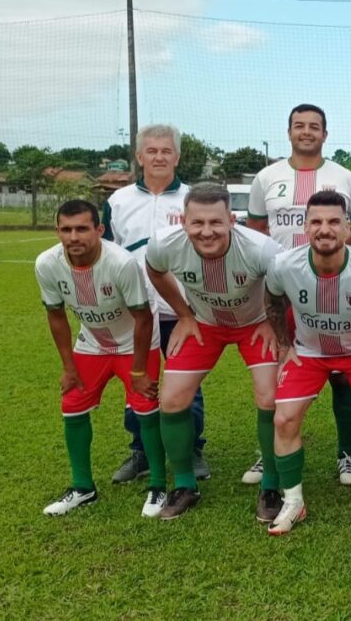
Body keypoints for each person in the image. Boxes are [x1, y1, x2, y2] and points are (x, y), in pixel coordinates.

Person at [264, 191, 351, 535]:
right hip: (309, 353)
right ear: (304, 226)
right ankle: (293, 501)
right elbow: (271, 298)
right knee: (283, 418)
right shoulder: (285, 265)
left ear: (348, 228)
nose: (324, 229)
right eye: (316, 221)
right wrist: (284, 345)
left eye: (333, 222)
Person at [245, 104, 351, 487]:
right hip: (283, 293)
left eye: (314, 127)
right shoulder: (267, 177)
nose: (307, 132)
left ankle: (345, 453)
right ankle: (270, 454)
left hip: (334, 289)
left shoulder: (345, 177)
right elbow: (255, 231)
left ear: (325, 134)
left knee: (342, 375)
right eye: (300, 126)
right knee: (280, 370)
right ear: (289, 132)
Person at [145, 184, 281, 520]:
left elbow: (285, 283)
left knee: (269, 397)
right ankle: (185, 485)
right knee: (172, 399)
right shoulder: (164, 244)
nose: (207, 232)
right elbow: (155, 271)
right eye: (197, 223)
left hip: (255, 324)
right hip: (204, 324)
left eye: (216, 223)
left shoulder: (262, 249)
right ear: (183, 220)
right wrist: (185, 315)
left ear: (232, 220)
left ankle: (272, 486)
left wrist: (272, 324)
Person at [36, 200, 164, 517]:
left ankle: (159, 486)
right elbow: (56, 316)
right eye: (66, 229)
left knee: (145, 405)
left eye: (82, 228)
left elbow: (143, 317)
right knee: (72, 404)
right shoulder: (47, 263)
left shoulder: (121, 263)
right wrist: (68, 367)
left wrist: (138, 370)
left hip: (134, 342)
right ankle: (83, 487)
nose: (73, 237)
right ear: (57, 231)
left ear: (99, 230)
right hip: (92, 341)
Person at [102, 124, 208, 484]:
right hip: (135, 311)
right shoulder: (118, 202)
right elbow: (107, 253)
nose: (159, 156)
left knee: (187, 382)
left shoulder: (195, 199)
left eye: (166, 151)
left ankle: (191, 448)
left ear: (177, 156)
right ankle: (141, 451)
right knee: (139, 381)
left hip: (184, 311)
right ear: (139, 156)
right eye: (152, 150)